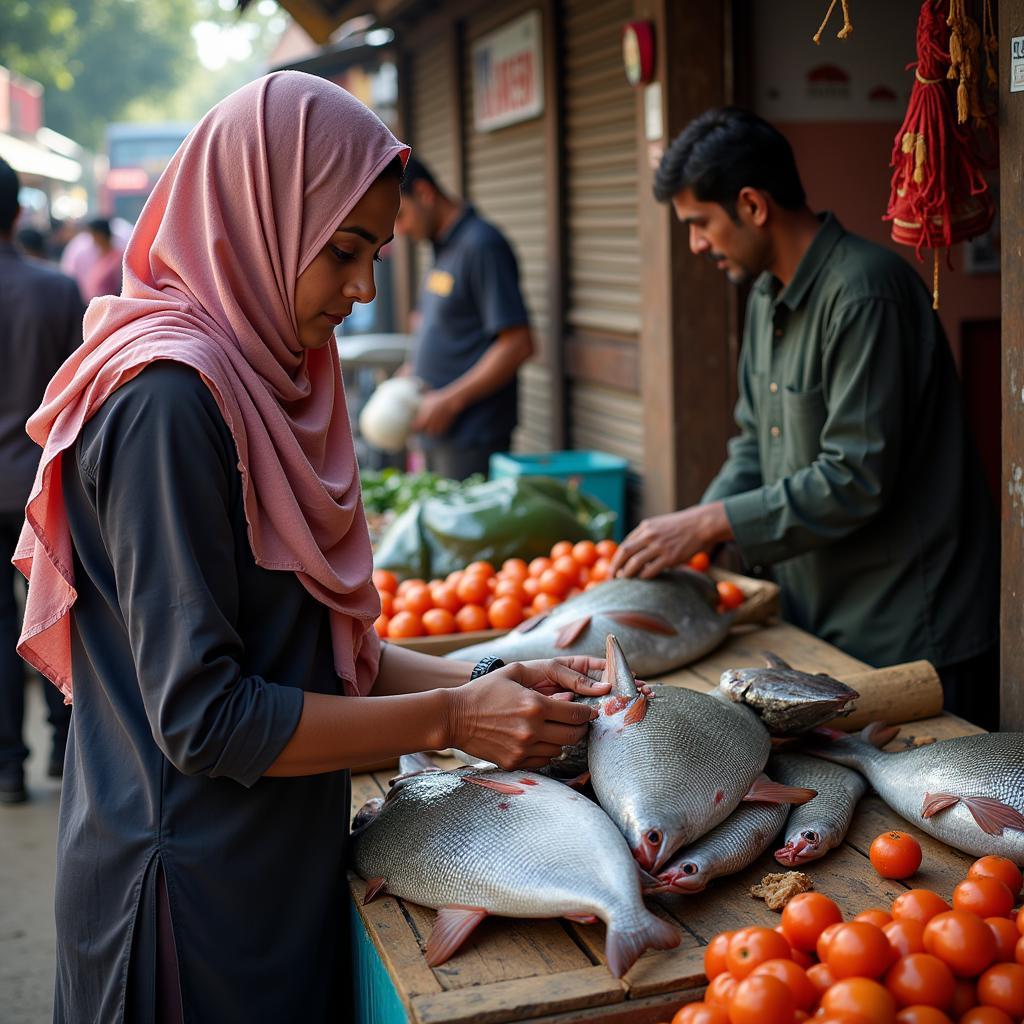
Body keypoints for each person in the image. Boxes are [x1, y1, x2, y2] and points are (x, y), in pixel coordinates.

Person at [15, 73, 608, 1023]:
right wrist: (453, 719)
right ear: (257, 218)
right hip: (184, 907)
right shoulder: (169, 404)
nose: (365, 287)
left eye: (377, 251)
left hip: (263, 869)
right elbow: (207, 718)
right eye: (343, 251)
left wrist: (494, 672)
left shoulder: (255, 381)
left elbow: (314, 656)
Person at [610, 107, 1000, 728]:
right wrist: (694, 543)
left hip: (908, 627)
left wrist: (708, 522)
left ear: (753, 205)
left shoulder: (866, 293)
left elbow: (854, 477)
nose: (696, 244)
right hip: (819, 618)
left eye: (701, 223)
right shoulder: (766, 297)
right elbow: (751, 446)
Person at [0, 158, 81, 804]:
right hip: (43, 487)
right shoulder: (56, 292)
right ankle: (64, 746)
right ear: (18, 214)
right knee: (59, 609)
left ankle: (6, 768)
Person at [394, 157, 534, 479]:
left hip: (472, 436)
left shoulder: (481, 246)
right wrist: (412, 371)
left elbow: (518, 345)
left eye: (401, 216)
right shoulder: (443, 247)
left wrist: (450, 401)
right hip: (438, 433)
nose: (400, 231)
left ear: (425, 193)